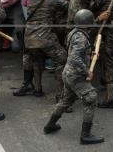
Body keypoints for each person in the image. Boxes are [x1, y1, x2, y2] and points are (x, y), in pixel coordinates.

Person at [43, 9, 104, 145]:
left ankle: (50, 125)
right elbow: (75, 57)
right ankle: (85, 135)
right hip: (76, 75)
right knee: (91, 98)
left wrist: (90, 54)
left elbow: (76, 52)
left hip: (68, 73)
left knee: (66, 100)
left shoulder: (74, 33)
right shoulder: (81, 37)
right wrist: (86, 71)